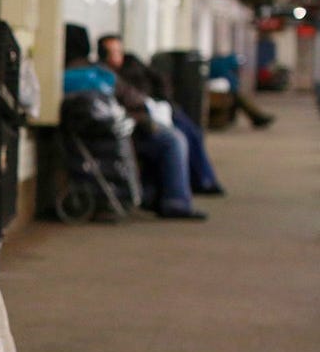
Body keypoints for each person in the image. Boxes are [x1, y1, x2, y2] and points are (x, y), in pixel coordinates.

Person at [63, 25, 204, 220]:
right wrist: (146, 113)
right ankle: (176, 201)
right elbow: (130, 98)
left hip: (110, 129)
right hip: (120, 131)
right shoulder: (95, 74)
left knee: (177, 133)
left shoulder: (74, 73)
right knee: (174, 140)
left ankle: (163, 195)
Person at [97, 35, 226, 196]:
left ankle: (204, 179)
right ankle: (195, 185)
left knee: (192, 132)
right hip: (145, 115)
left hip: (158, 107)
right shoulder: (106, 75)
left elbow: (157, 79)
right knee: (177, 138)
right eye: (112, 52)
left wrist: (164, 100)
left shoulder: (132, 63)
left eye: (118, 51)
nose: (116, 56)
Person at [208, 52, 275, 129]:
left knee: (236, 97)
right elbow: (232, 84)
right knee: (236, 97)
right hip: (216, 92)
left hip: (219, 90)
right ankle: (257, 117)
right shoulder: (222, 66)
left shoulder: (221, 65)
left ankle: (257, 117)